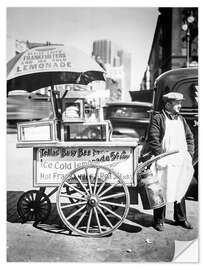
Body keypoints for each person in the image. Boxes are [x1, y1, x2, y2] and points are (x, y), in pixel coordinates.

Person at [147, 92, 194, 231]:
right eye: (177, 103)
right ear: (168, 104)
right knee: (161, 189)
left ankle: (180, 218)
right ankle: (158, 221)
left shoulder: (181, 119)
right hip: (164, 161)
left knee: (180, 188)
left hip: (180, 161)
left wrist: (189, 154)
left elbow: (190, 138)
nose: (180, 106)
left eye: (180, 103)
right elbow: (153, 139)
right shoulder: (158, 118)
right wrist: (161, 156)